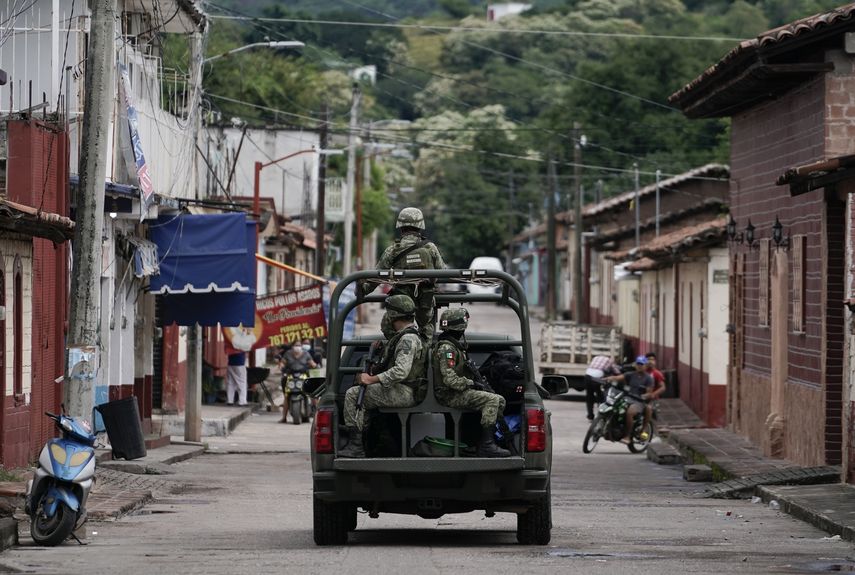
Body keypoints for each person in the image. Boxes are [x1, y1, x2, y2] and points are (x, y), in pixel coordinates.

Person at [339, 294, 427, 458]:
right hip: (404, 389)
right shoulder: (403, 336)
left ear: (393, 315)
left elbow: (401, 371)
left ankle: (356, 446)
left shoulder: (407, 338)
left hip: (407, 391)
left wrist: (370, 379)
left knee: (353, 394)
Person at [433, 308, 510, 457]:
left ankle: (480, 441)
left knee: (499, 400)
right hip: (448, 395)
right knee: (492, 400)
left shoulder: (454, 346)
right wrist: (472, 384)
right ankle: (487, 446)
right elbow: (449, 380)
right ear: (461, 327)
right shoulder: (447, 349)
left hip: (456, 392)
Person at [362, 207, 446, 339]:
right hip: (425, 302)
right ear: (420, 227)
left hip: (400, 305)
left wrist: (362, 290)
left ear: (401, 228)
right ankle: (425, 351)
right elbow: (444, 272)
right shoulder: (430, 247)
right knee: (427, 328)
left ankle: (397, 348)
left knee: (389, 326)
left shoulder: (393, 250)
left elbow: (376, 277)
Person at [606, 356, 654, 442]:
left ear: (645, 366)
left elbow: (649, 392)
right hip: (627, 398)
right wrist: (607, 379)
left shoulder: (648, 378)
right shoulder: (630, 374)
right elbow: (618, 378)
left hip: (639, 401)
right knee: (614, 407)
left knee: (630, 412)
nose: (639, 366)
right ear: (635, 365)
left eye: (641, 364)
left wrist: (645, 395)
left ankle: (628, 436)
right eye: (638, 364)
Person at [277, 342, 317, 423]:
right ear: (292, 346)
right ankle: (284, 417)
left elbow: (312, 363)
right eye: (295, 345)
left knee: (313, 394)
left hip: (303, 376)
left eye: (299, 345)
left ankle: (316, 413)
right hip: (290, 376)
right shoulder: (288, 354)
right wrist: (281, 366)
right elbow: (282, 363)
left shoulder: (306, 354)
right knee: (286, 396)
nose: (297, 347)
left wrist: (314, 365)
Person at [584, 355, 622, 420]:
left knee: (589, 396)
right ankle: (601, 413)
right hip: (597, 377)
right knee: (600, 395)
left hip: (588, 375)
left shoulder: (596, 357)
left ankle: (590, 415)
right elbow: (617, 372)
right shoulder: (610, 361)